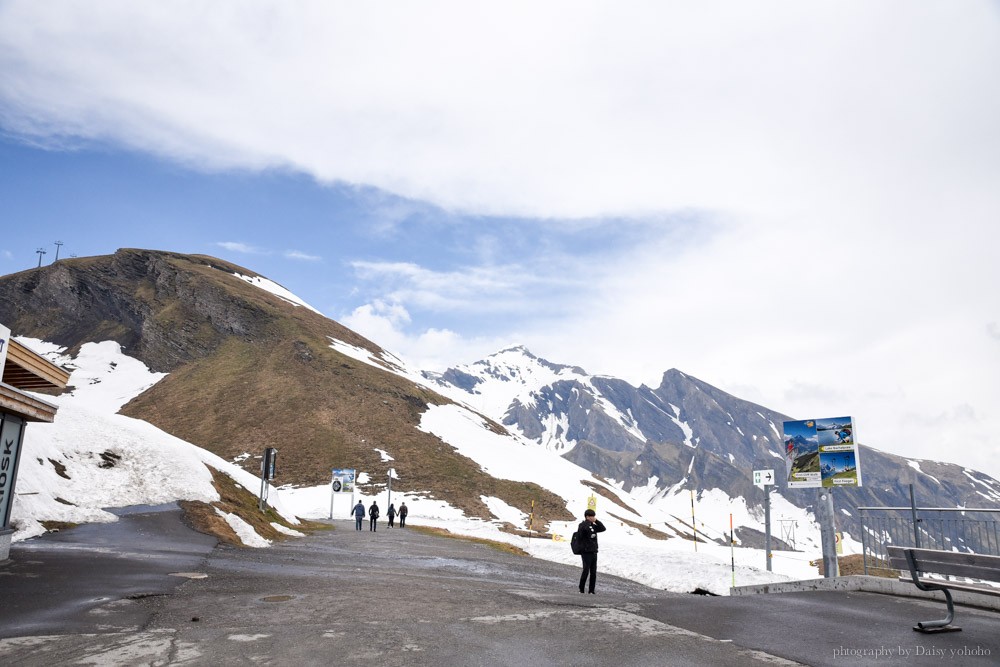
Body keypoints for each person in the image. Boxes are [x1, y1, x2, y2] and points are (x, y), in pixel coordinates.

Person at [576, 509, 606, 594]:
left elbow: (603, 528)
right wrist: (586, 523)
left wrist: (596, 521)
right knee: (586, 570)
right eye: (591, 516)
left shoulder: (594, 526)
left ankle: (591, 590)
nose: (593, 518)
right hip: (586, 551)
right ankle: (581, 589)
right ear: (587, 517)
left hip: (593, 551)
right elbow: (581, 534)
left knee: (593, 572)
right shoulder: (582, 525)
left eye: (594, 516)